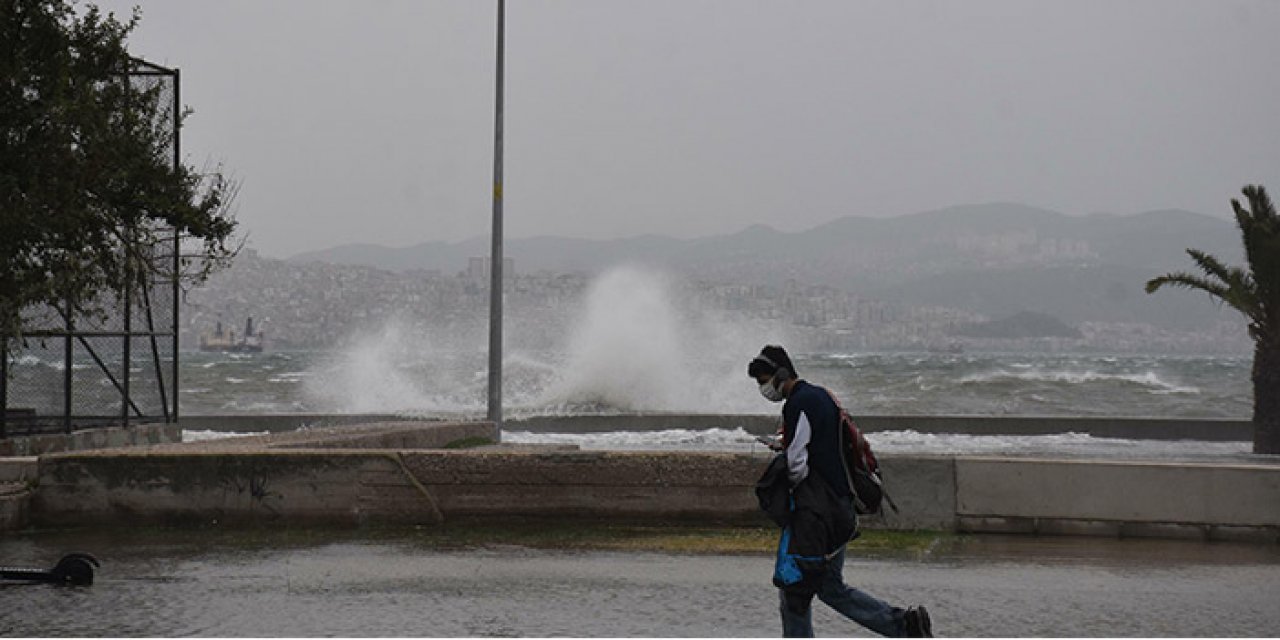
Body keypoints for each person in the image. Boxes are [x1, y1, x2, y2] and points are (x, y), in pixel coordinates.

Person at [749, 344, 933, 638]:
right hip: (839, 508)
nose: (763, 387)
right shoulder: (822, 396)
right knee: (829, 587)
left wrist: (790, 486)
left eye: (764, 379)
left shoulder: (799, 402)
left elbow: (798, 461)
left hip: (818, 515)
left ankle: (902, 625)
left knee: (795, 590)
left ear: (781, 373)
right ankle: (904, 625)